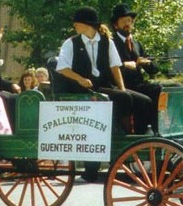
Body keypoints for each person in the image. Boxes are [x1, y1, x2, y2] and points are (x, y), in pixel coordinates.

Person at [56, 6, 152, 182]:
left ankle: (139, 136)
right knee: (123, 98)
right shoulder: (71, 43)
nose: (74, 26)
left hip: (103, 86)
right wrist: (80, 79)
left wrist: (122, 88)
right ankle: (121, 137)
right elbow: (62, 68)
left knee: (144, 100)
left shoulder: (106, 41)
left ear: (86, 24)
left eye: (77, 23)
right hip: (84, 89)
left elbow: (115, 68)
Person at [111, 3, 162, 133]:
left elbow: (155, 69)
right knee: (155, 91)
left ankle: (161, 127)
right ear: (116, 25)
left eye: (129, 20)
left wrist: (147, 63)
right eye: (123, 21)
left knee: (172, 88)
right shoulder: (111, 43)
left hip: (139, 85)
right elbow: (107, 67)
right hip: (122, 86)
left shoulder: (137, 44)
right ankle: (145, 131)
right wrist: (124, 65)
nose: (127, 24)